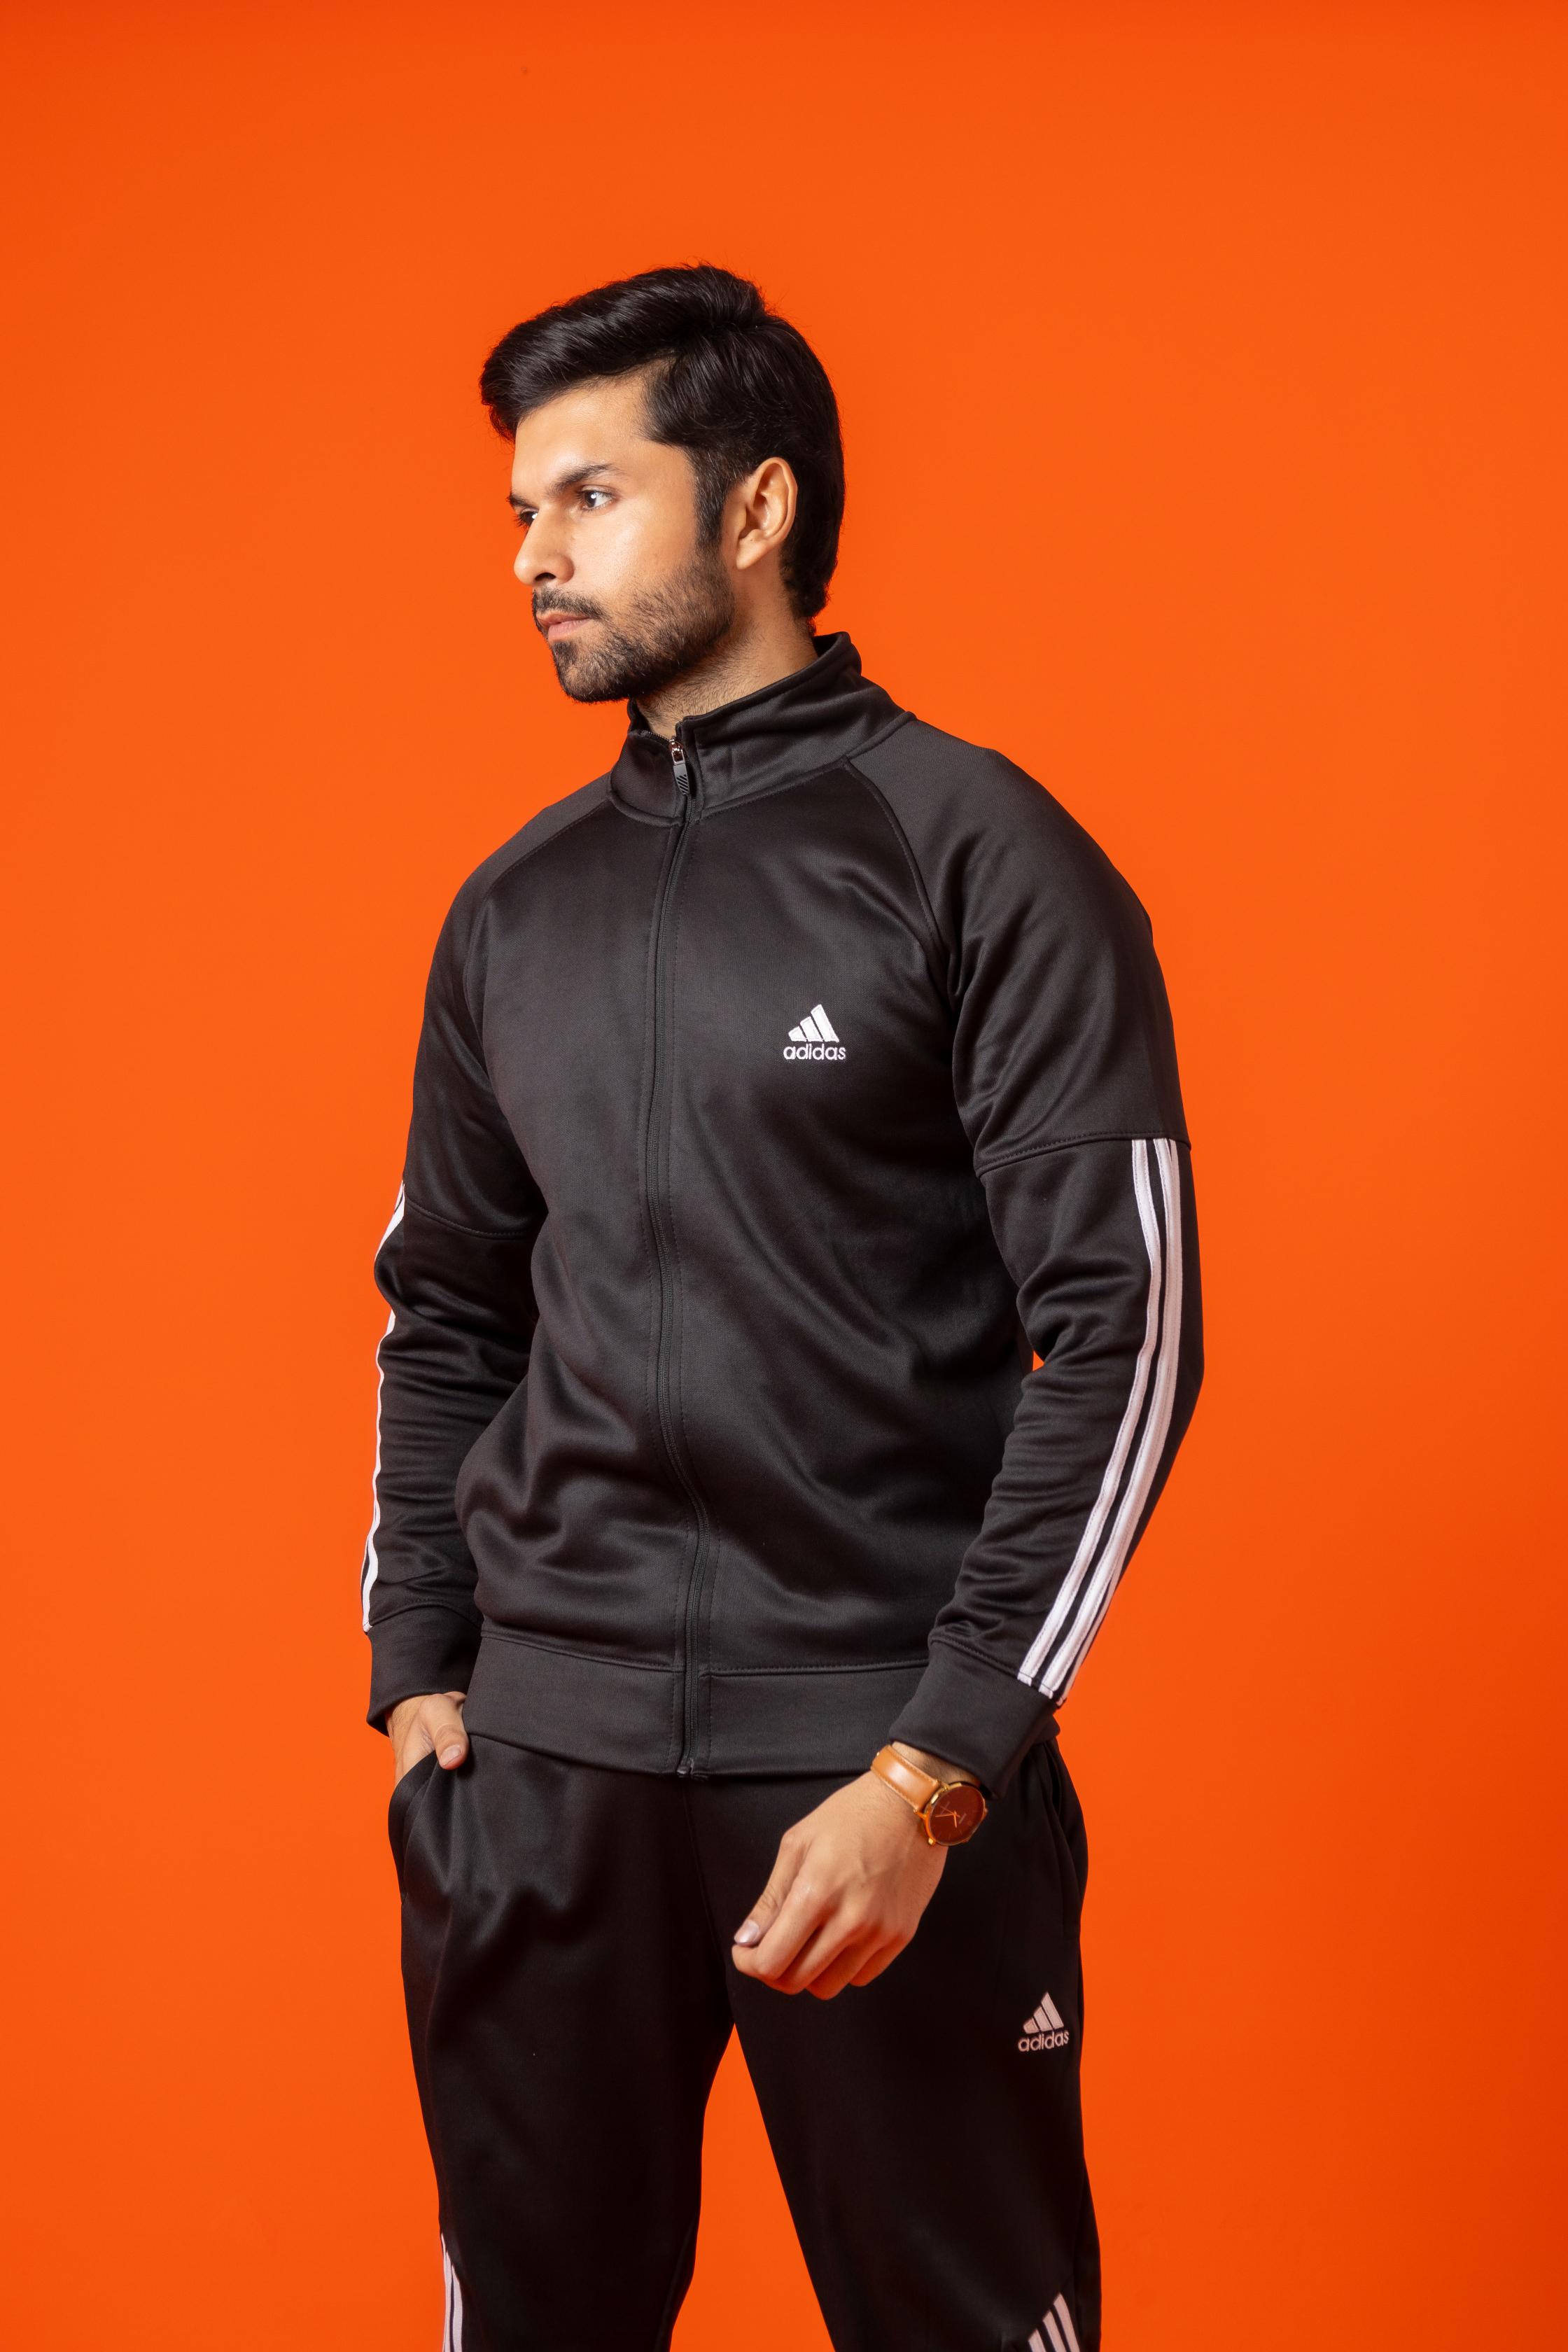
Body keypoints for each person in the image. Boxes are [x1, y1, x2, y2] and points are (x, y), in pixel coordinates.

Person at [363, 263, 1203, 2352]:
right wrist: (423, 1678)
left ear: (755, 509)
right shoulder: (515, 907)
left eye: (590, 500)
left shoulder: (977, 853)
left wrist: (942, 1765)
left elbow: (1128, 1329)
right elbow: (447, 1307)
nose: (534, 559)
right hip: (544, 1773)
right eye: (521, 514)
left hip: (871, 1758)